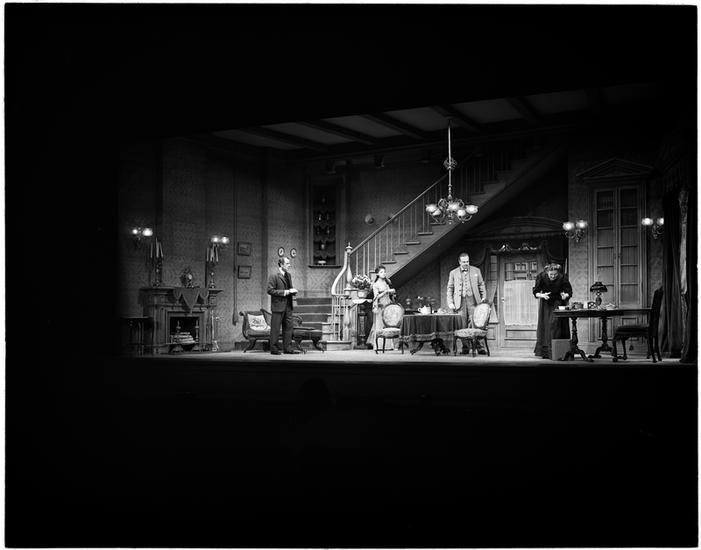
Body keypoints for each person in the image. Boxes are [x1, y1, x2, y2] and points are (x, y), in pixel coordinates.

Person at [447, 252, 488, 354]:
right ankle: (465, 347)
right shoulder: (453, 273)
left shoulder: (476, 270)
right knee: (462, 324)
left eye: (467, 261)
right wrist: (450, 302)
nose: (466, 263)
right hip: (460, 302)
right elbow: (450, 288)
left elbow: (481, 284)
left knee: (476, 323)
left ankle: (480, 347)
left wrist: (483, 296)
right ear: (459, 262)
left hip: (473, 301)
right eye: (464, 262)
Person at [532, 263, 572, 359]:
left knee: (557, 325)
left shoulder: (562, 277)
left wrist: (565, 295)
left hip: (559, 303)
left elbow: (569, 292)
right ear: (547, 272)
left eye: (555, 274)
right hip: (546, 303)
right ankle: (546, 352)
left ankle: (559, 351)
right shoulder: (541, 276)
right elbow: (536, 292)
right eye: (551, 274)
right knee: (546, 326)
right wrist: (542, 295)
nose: (553, 276)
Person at [267, 256, 300, 355]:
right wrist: (285, 292)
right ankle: (274, 349)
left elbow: (289, 288)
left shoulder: (288, 275)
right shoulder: (274, 276)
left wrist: (292, 291)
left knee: (288, 328)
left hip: (288, 306)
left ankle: (288, 348)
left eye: (289, 263)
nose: (289, 265)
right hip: (278, 306)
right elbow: (270, 290)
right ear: (281, 265)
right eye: (287, 263)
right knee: (275, 329)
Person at [367, 265, 396, 350]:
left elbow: (389, 293)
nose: (383, 273)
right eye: (381, 272)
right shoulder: (376, 284)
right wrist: (386, 291)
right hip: (381, 305)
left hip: (387, 304)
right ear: (377, 274)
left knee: (388, 324)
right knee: (380, 324)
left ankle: (389, 345)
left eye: (384, 272)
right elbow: (376, 296)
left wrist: (391, 292)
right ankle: (379, 345)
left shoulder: (386, 283)